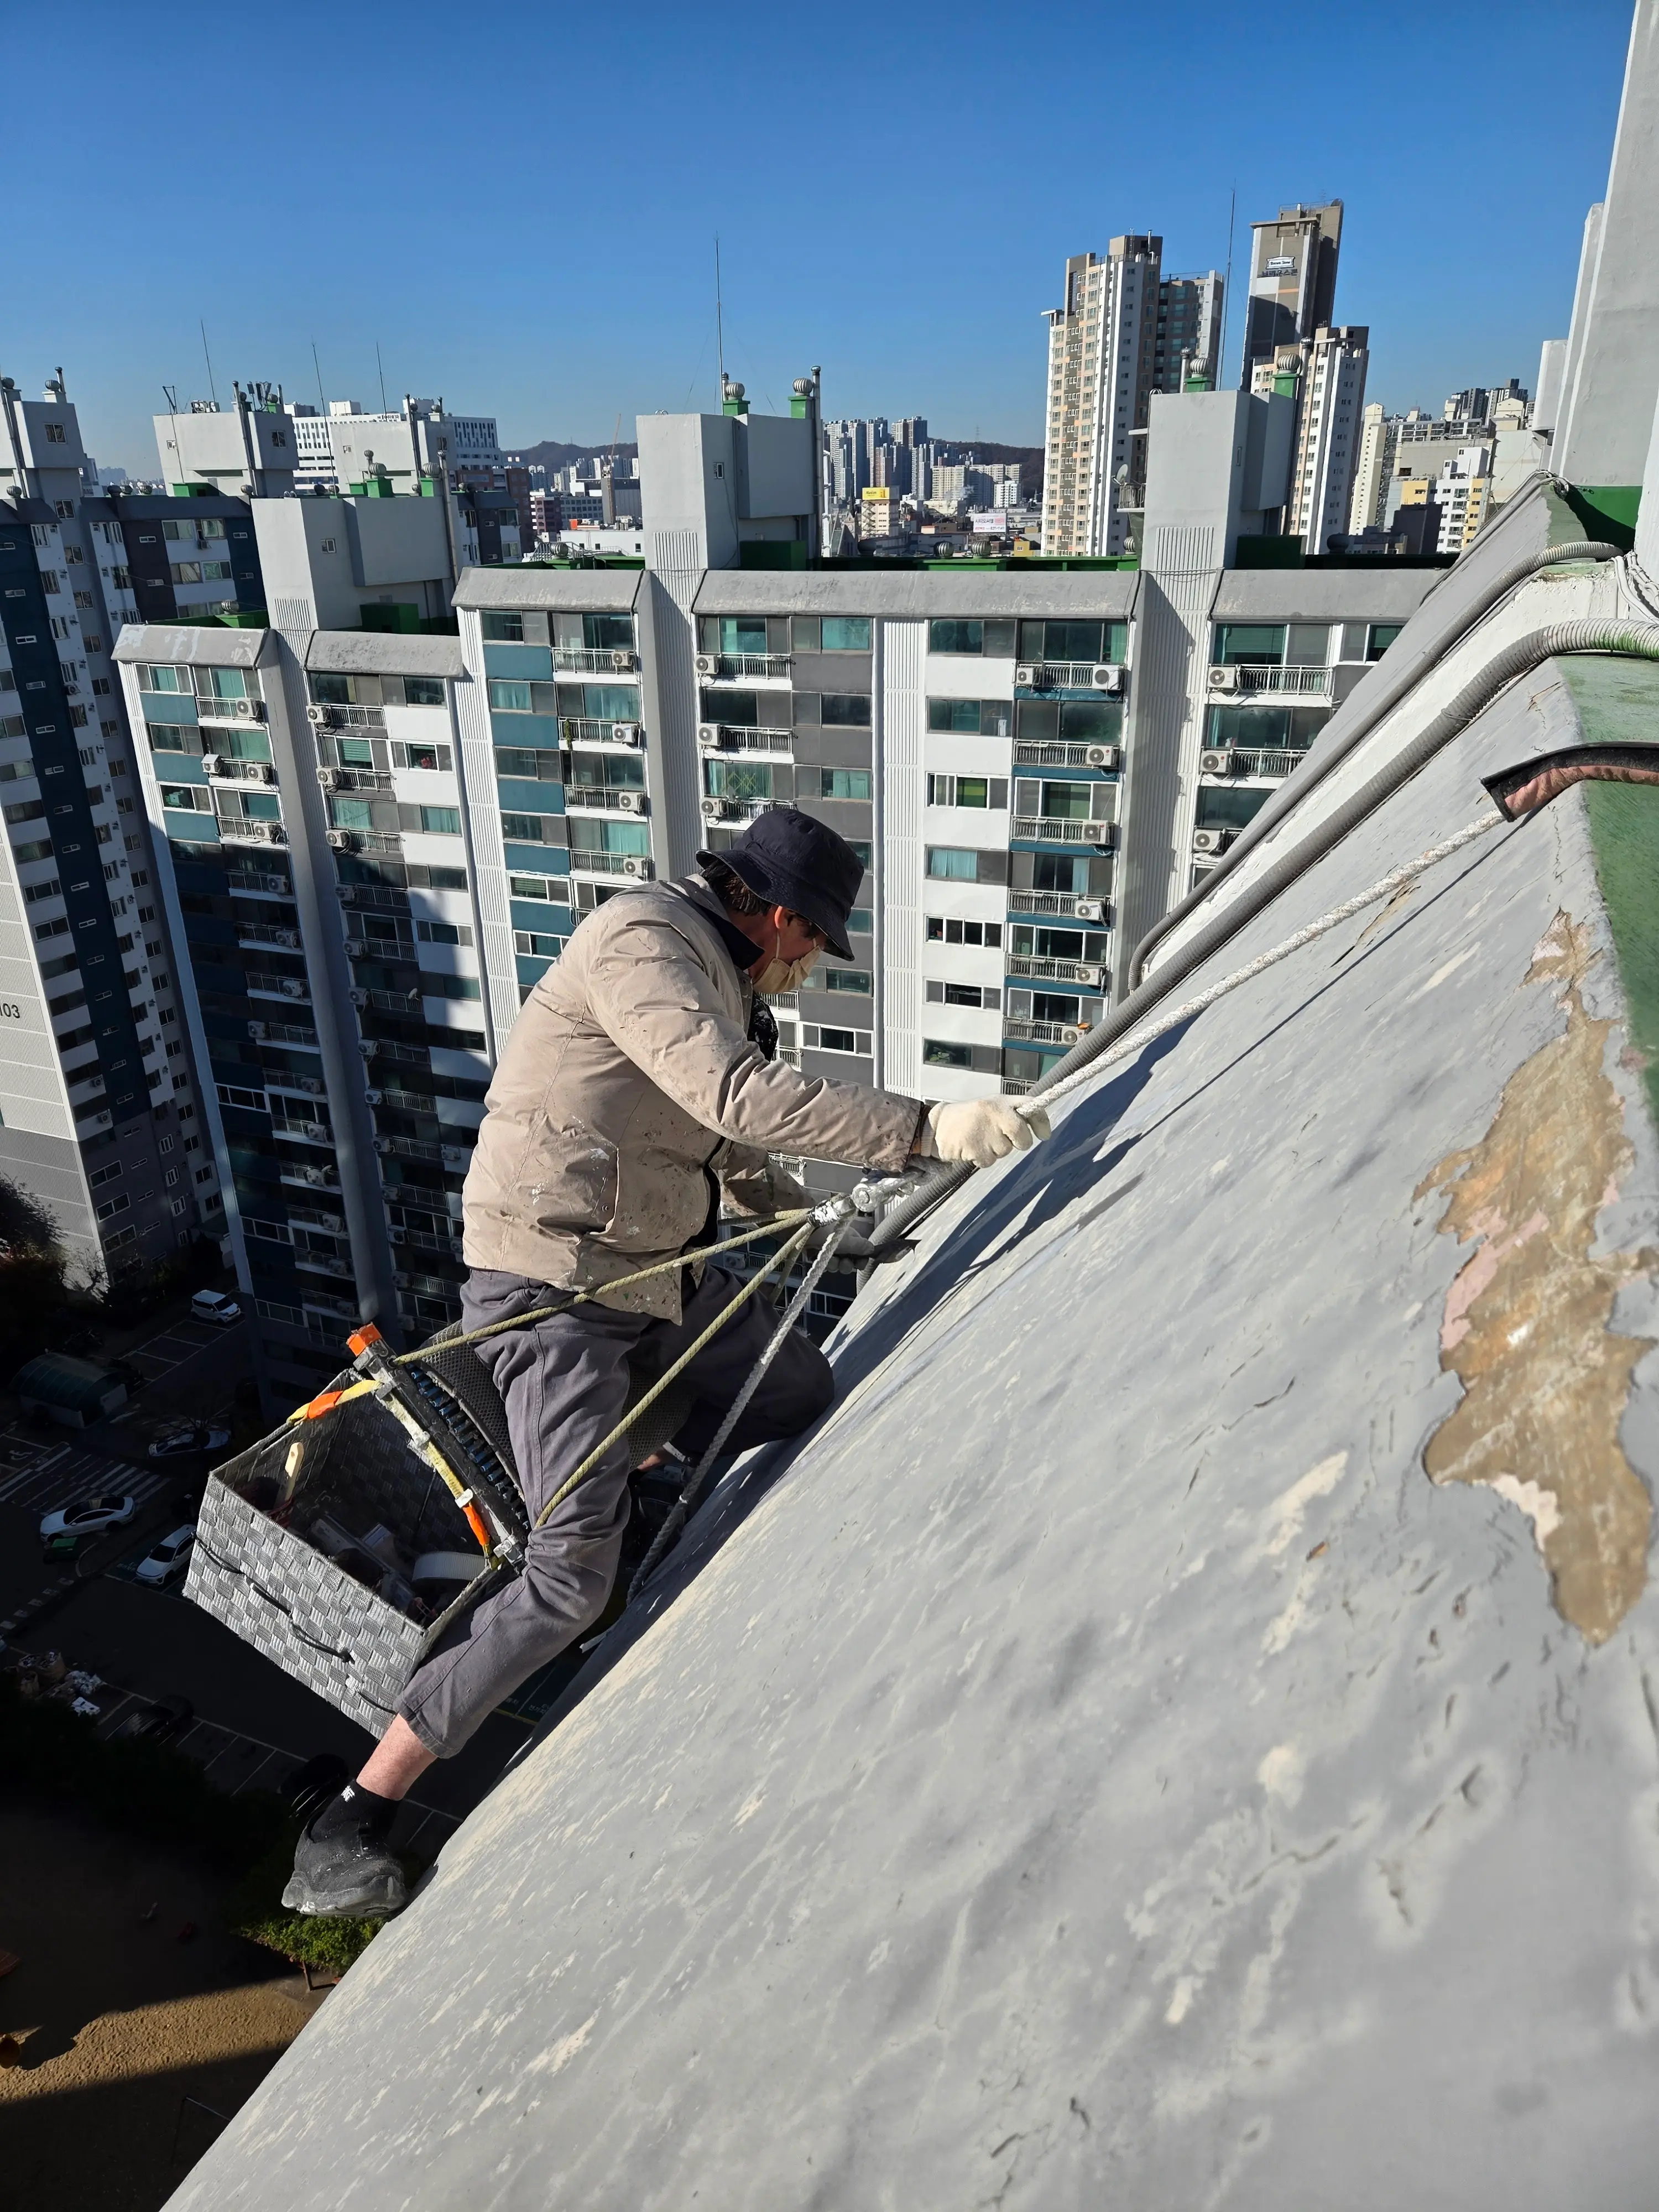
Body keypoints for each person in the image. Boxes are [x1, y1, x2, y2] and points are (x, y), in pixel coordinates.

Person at [285, 808, 1050, 1915]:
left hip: (652, 1276)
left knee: (792, 1389)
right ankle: (358, 1806)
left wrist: (848, 1229)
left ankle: (620, 1481)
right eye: (813, 945)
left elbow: (725, 1149)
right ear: (782, 917)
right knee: (569, 1578)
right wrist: (927, 1126)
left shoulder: (719, 980)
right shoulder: (642, 941)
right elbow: (731, 1097)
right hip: (555, 1293)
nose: (808, 968)